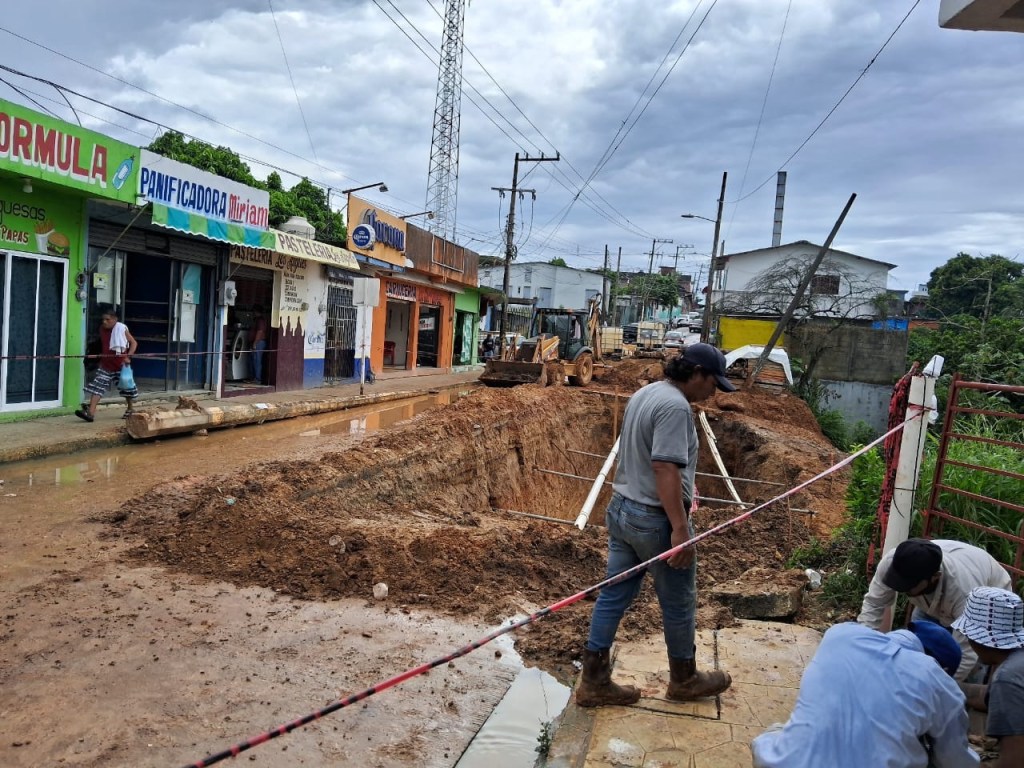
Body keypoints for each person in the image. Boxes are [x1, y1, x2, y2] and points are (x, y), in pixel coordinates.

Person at [576, 343, 736, 707]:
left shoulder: (646, 393)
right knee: (678, 602)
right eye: (713, 382)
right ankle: (684, 679)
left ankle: (594, 682)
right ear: (696, 374)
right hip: (654, 519)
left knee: (613, 595)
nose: (714, 392)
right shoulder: (676, 408)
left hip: (622, 509)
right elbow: (665, 467)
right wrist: (680, 530)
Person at [750, 621, 979, 768]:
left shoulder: (840, 635)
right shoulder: (936, 678)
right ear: (944, 667)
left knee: (776, 731)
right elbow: (954, 760)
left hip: (785, 763)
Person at [858, 538, 1013, 680]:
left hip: (987, 606)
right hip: (932, 603)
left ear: (935, 577)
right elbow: (873, 604)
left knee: (972, 668)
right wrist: (862, 649)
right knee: (917, 649)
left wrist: (943, 690)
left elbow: (966, 654)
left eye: (907, 585)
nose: (901, 588)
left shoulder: (965, 593)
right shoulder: (894, 563)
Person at [952, 587, 1024, 768]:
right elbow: (988, 697)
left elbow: (1014, 761)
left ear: (975, 637)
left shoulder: (1007, 678)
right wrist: (948, 685)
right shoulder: (1016, 663)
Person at [75, 308, 138, 422]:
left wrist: (128, 357)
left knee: (126, 389)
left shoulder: (121, 329)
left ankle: (130, 408)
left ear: (114, 319)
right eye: (103, 319)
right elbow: (104, 344)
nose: (104, 322)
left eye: (107, 319)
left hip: (120, 365)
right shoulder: (101, 329)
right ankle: (91, 413)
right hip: (106, 365)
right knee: (98, 387)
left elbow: (134, 343)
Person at [249, 305, 268, 384]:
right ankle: (254, 378)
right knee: (254, 360)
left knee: (257, 360)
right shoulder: (257, 320)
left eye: (254, 311)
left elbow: (260, 332)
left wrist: (255, 343)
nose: (253, 313)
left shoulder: (260, 320)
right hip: (257, 342)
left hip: (259, 342)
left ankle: (257, 378)